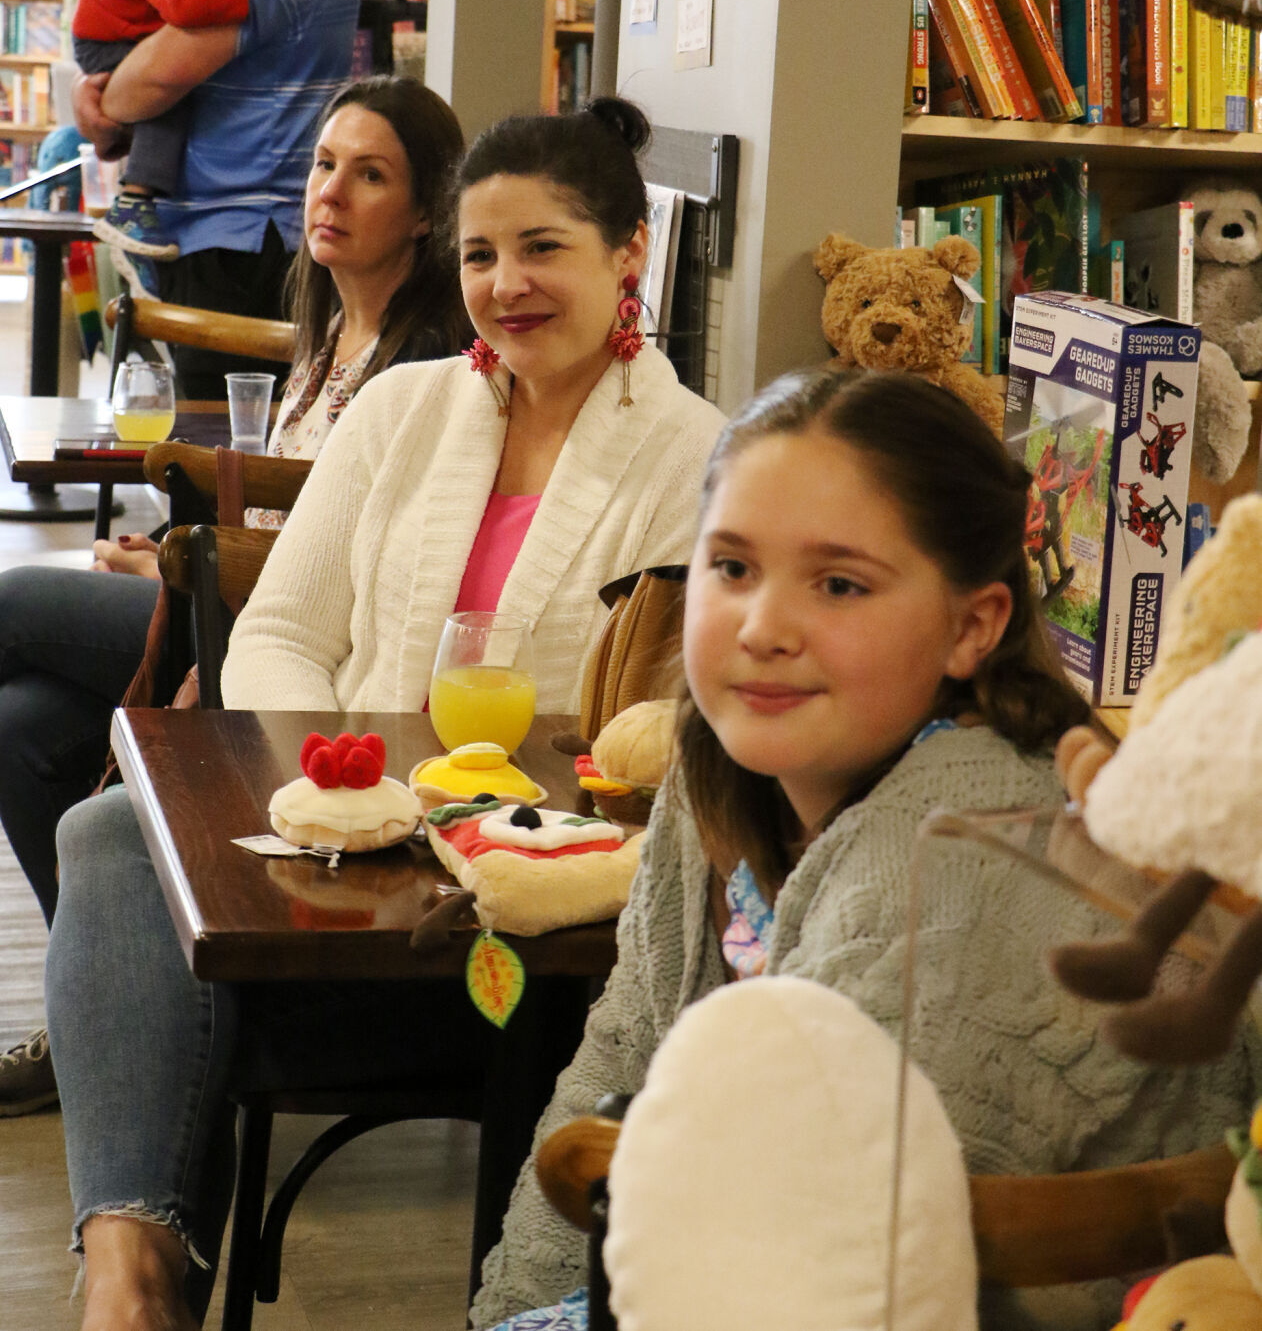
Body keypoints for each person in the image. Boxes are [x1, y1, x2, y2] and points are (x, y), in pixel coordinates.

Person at [44, 97, 725, 1331]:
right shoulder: (401, 409)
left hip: (511, 921)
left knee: (107, 843)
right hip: (325, 853)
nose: (505, 283)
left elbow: (646, 729)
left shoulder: (695, 457)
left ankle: (137, 1284)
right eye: (477, 254)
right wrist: (335, 787)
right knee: (106, 836)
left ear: (628, 252)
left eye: (543, 249)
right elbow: (283, 630)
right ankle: (129, 1271)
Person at [469, 368, 1262, 1331]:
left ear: (974, 625)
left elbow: (830, 1279)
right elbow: (617, 1059)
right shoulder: (715, 769)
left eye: (839, 584)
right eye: (731, 568)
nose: (762, 629)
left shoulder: (966, 860)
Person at [0, 76, 465, 1117]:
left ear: (428, 213)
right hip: (227, 598)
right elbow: (283, 510)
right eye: (324, 164)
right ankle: (107, 1017)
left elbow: (355, 563)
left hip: (275, 645)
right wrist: (171, 548)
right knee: (20, 729)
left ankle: (147, 1023)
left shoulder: (424, 366)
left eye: (371, 174)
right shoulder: (330, 330)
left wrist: (185, 563)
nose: (331, 190)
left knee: (16, 601)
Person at [74, 0, 360, 398]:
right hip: (232, 232)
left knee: (220, 474)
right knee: (214, 473)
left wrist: (98, 103)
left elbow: (157, 77)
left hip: (248, 240)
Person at [72, 0, 253, 290]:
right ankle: (133, 202)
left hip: (117, 30)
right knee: (168, 94)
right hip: (107, 39)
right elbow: (187, 4)